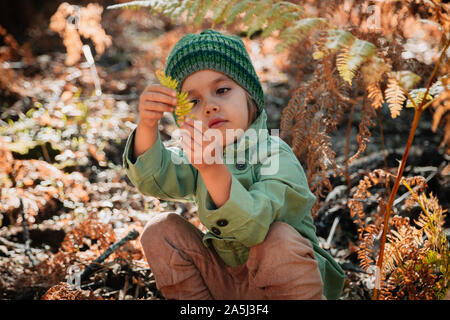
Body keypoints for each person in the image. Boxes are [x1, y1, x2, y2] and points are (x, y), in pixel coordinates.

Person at [122, 29, 345, 300]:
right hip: (225, 282)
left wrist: (212, 169)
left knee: (279, 240)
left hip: (286, 281)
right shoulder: (199, 154)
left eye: (222, 90)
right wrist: (147, 124)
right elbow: (153, 178)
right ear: (183, 120)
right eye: (193, 101)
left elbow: (255, 226)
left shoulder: (274, 153)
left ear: (249, 96)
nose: (210, 107)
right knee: (160, 230)